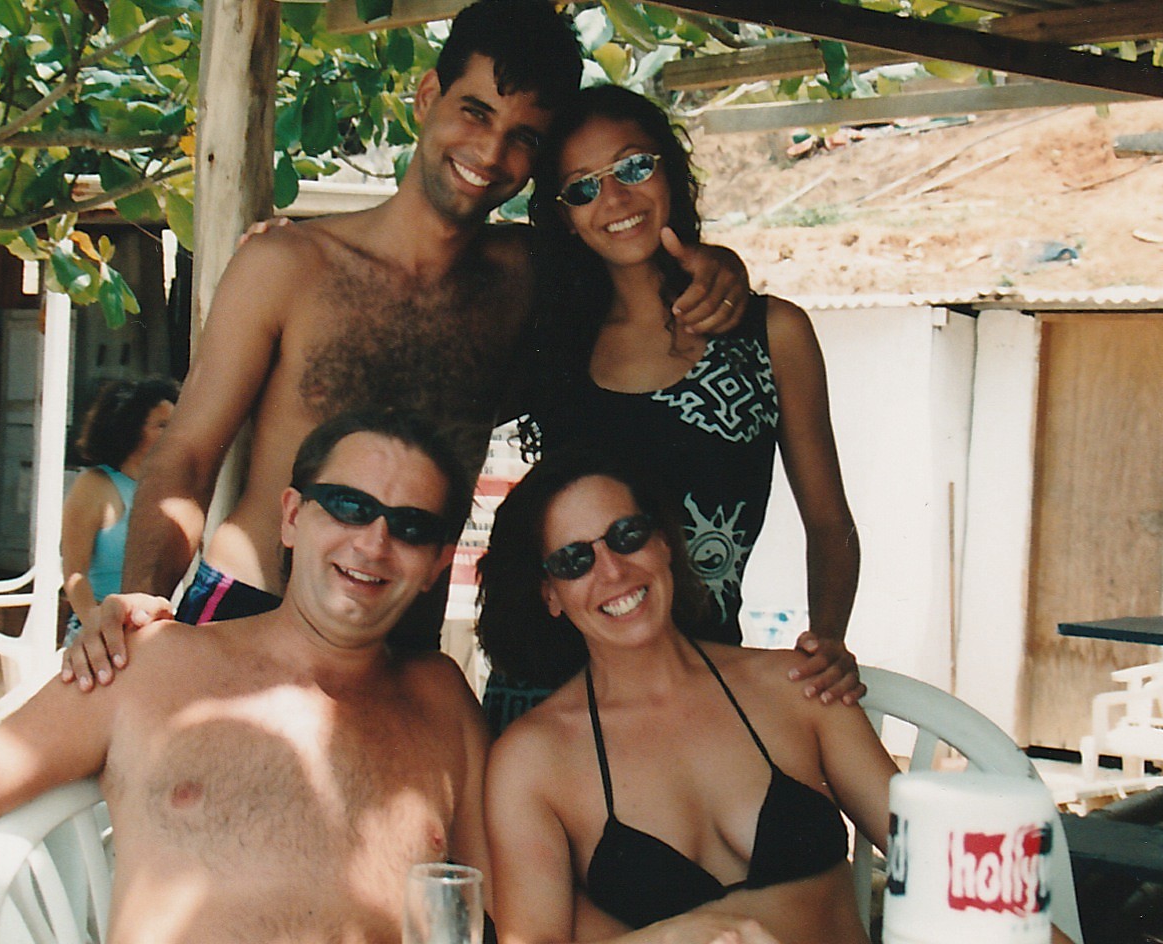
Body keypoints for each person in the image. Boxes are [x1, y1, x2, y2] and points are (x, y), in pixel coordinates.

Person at [62, 0, 750, 690]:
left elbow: (631, 257)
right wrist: (140, 599)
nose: (490, 153)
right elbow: (187, 453)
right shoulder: (288, 266)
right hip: (253, 611)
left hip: (401, 646)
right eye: (475, 112)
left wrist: (722, 267)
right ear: (426, 97)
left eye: (523, 137)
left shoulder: (528, 277)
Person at [0, 408, 490, 944]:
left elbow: (507, 912)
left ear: (438, 563)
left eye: (412, 527)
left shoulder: (441, 703)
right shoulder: (150, 662)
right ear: (291, 517)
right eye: (348, 507)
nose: (374, 543)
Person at [482, 85, 862, 733]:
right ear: (563, 216)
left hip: (701, 691)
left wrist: (827, 638)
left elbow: (830, 525)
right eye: (582, 187)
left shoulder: (771, 334)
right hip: (547, 697)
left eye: (633, 166)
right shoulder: (550, 339)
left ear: (672, 172)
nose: (614, 199)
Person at [477, 448, 897, 944]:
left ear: (663, 542)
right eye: (574, 561)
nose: (612, 572)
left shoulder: (797, 683)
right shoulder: (533, 760)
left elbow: (932, 850)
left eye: (627, 536)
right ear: (550, 593)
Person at [60, 377, 180, 645]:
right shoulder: (95, 485)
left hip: (154, 632)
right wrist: (97, 627)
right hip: (103, 629)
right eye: (162, 425)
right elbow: (74, 572)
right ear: (131, 430)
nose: (172, 434)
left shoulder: (168, 487)